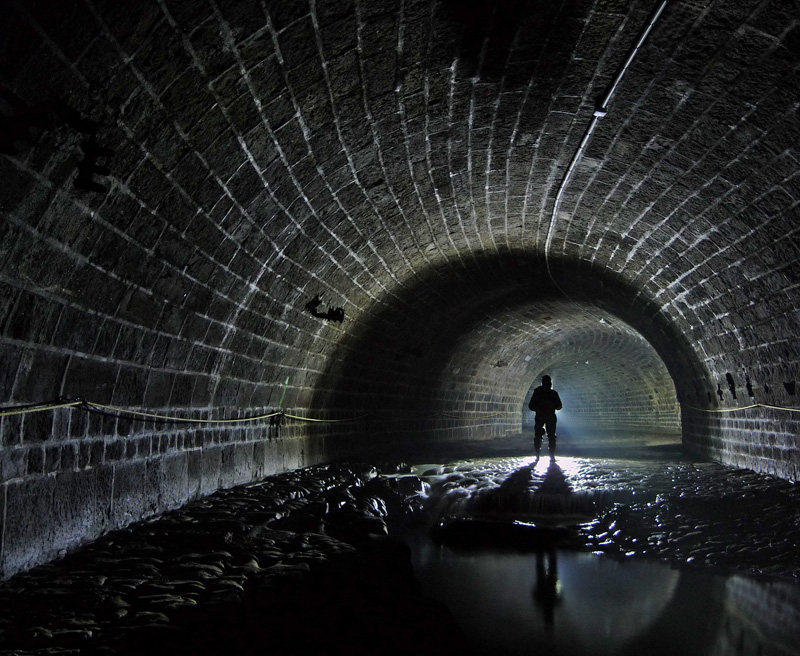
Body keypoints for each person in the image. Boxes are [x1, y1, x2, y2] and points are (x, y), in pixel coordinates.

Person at [528, 375, 562, 459]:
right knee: (551, 436)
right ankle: (552, 455)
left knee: (538, 435)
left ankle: (537, 453)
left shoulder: (537, 392)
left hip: (540, 416)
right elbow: (559, 406)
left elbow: (531, 405)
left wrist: (538, 409)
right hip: (551, 416)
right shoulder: (553, 393)